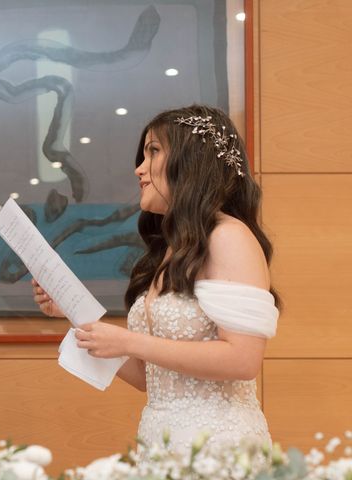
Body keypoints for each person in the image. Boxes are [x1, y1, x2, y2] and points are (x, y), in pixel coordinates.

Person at [33, 104, 279, 454]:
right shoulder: (170, 250)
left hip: (217, 449)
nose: (139, 169)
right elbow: (147, 377)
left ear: (190, 161)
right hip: (160, 441)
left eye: (153, 152)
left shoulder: (228, 236)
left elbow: (243, 360)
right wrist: (75, 313)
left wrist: (129, 341)